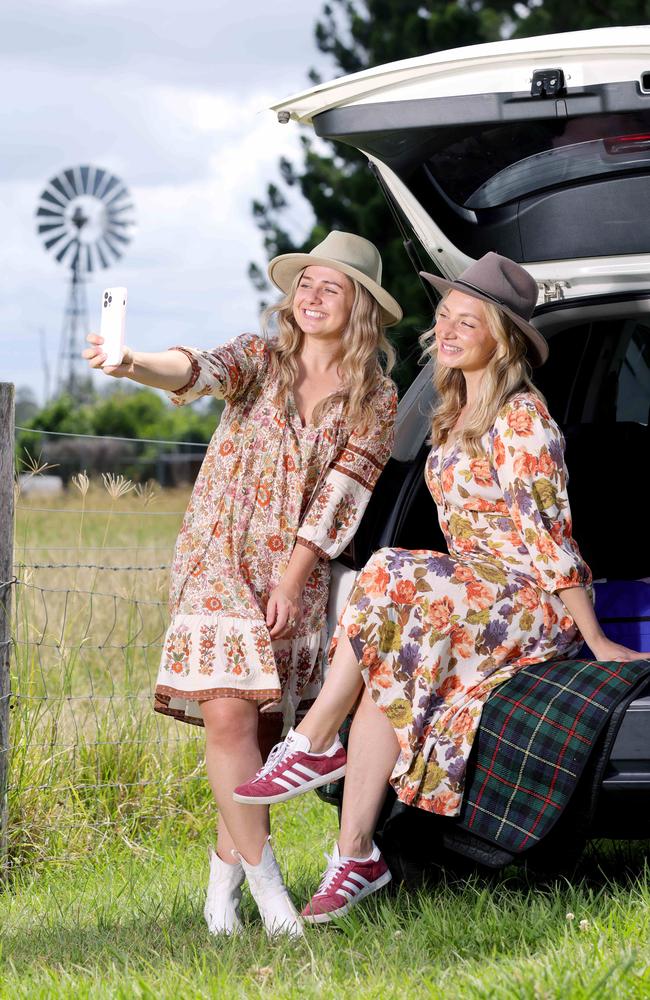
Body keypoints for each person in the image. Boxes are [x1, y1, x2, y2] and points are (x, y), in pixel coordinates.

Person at [233, 251, 644, 924]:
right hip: (473, 599)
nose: (447, 332)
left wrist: (592, 636)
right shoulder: (452, 412)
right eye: (445, 318)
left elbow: (549, 536)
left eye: (468, 323)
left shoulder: (522, 420)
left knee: (390, 567)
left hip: (531, 605)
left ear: (501, 340)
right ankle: (354, 855)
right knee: (386, 659)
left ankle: (312, 743)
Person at [83, 231, 401, 937]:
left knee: (259, 729)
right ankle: (273, 897)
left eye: (332, 287)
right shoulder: (261, 359)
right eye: (306, 284)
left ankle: (217, 900)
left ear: (359, 308)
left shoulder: (377, 397)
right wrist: (133, 362)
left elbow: (340, 500)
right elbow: (196, 369)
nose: (312, 297)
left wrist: (292, 580)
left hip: (294, 573)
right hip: (217, 557)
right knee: (228, 717)